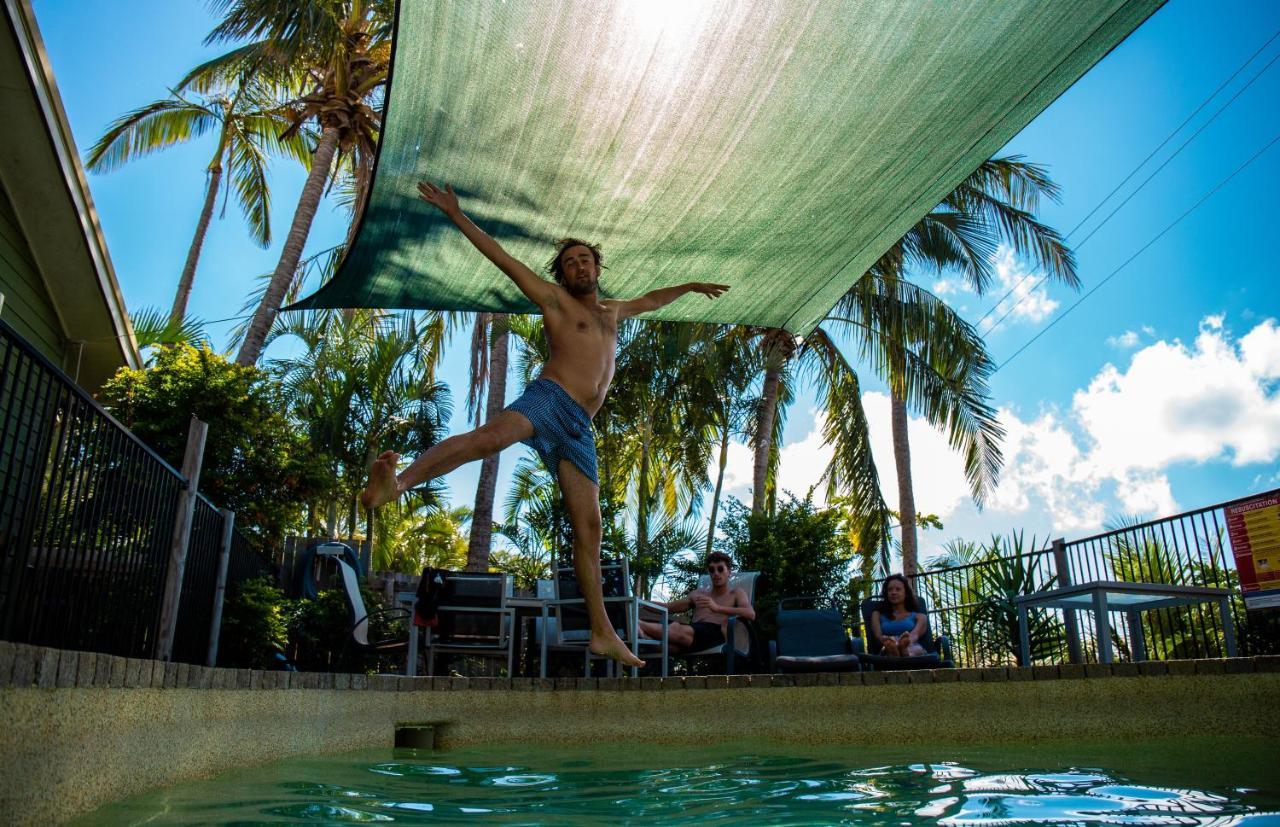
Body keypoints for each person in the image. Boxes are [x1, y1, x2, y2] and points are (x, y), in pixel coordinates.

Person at [361, 180, 730, 669]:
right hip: (550, 399)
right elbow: (503, 260)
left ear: (598, 268)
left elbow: (653, 300)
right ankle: (399, 484)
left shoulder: (613, 311)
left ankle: (602, 632)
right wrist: (455, 212)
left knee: (591, 528)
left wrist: (688, 287)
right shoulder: (555, 301)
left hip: (579, 429)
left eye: (586, 260)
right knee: (489, 438)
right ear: (562, 273)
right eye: (571, 261)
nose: (580, 266)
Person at [639, 552, 755, 652]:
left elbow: (750, 614)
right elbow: (668, 608)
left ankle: (638, 625)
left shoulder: (735, 593)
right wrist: (641, 603)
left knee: (677, 630)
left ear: (729, 572)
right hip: (693, 633)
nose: (716, 573)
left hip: (715, 634)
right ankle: (641, 634)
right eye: (712, 570)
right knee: (673, 647)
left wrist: (717, 608)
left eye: (720, 569)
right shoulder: (698, 594)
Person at [870, 573, 927, 657]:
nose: (893, 592)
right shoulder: (877, 615)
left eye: (898, 589)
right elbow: (878, 637)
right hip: (888, 647)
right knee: (889, 648)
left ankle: (904, 651)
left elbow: (915, 635)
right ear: (886, 593)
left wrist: (904, 642)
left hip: (912, 646)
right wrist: (891, 643)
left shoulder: (920, 617)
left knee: (916, 649)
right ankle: (897, 652)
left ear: (906, 593)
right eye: (890, 590)